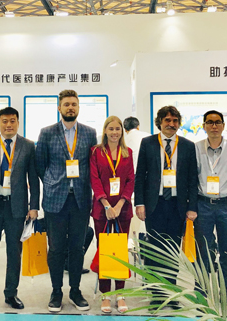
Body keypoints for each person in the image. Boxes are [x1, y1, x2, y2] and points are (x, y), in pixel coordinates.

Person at [36, 89, 97, 312]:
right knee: (56, 248)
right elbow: (40, 164)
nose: (70, 108)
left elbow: (93, 164)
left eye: (74, 104)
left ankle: (75, 290)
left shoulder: (89, 133)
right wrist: (52, 182)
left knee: (77, 247)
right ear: (59, 108)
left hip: (80, 198)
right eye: (66, 104)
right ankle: (56, 291)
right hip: (55, 199)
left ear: (78, 107)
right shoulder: (47, 133)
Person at [0, 107, 40, 314]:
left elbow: (33, 178)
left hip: (16, 208)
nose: (9, 125)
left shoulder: (28, 146)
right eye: (4, 121)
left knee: (14, 253)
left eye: (13, 121)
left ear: (18, 123)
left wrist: (34, 206)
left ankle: (11, 293)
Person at [134, 106, 198, 305]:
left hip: (178, 205)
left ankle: (171, 294)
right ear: (159, 122)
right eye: (167, 120)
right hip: (155, 204)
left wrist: (192, 206)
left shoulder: (187, 145)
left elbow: (193, 179)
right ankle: (156, 294)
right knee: (154, 250)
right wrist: (139, 203)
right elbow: (140, 175)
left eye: (175, 120)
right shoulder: (148, 143)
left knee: (172, 250)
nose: (171, 124)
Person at [194, 110, 227, 307]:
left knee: (226, 253)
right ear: (204, 126)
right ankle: (201, 295)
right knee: (203, 253)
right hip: (203, 205)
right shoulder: (196, 148)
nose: (214, 126)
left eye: (217, 122)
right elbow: (191, 179)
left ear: (223, 125)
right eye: (210, 122)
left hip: (226, 206)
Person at [90, 116, 135, 314]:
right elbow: (95, 179)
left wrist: (120, 204)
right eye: (111, 129)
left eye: (118, 129)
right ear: (105, 131)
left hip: (122, 210)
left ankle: (120, 294)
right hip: (102, 210)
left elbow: (131, 180)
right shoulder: (96, 152)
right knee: (105, 252)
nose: (115, 132)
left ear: (122, 131)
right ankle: (106, 295)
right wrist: (107, 205)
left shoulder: (128, 152)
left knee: (120, 252)